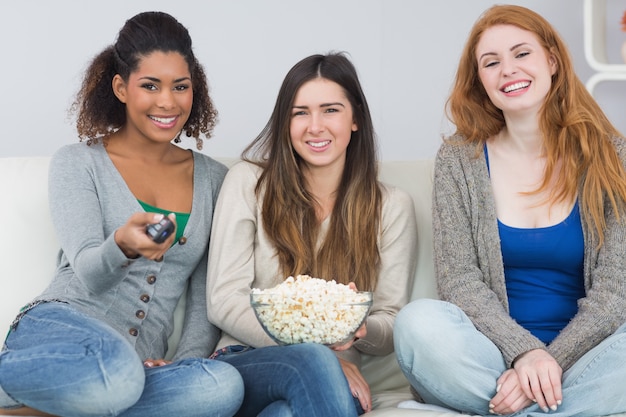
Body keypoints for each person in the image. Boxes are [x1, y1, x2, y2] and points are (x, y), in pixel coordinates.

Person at [0, 11, 244, 417]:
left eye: (180, 87)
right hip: (62, 331)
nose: (168, 101)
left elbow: (206, 298)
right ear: (121, 87)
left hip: (137, 368)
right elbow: (90, 270)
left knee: (220, 386)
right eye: (150, 85)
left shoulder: (216, 180)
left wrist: (185, 362)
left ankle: (45, 409)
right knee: (118, 377)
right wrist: (122, 245)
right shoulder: (78, 163)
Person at [394, 4, 626, 417]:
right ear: (480, 80)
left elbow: (614, 293)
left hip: (585, 360)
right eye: (491, 62)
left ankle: (520, 407)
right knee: (418, 322)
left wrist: (547, 362)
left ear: (551, 61)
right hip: (487, 359)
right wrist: (523, 355)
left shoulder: (612, 156)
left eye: (522, 54)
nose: (508, 70)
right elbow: (459, 282)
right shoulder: (458, 160)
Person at [206, 52, 417, 416]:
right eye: (299, 112)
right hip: (247, 362)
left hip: (334, 378)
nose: (314, 126)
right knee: (313, 365)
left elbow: (391, 321)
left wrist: (360, 327)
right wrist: (319, 353)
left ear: (356, 120)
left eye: (331, 110)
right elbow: (224, 299)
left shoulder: (392, 207)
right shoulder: (249, 183)